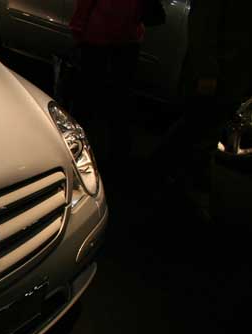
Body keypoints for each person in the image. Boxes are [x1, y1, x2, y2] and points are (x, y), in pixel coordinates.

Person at [150, 0, 252, 217]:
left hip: (233, 74)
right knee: (200, 130)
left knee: (199, 128)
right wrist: (207, 72)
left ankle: (165, 174)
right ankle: (189, 191)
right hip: (219, 74)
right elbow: (203, 27)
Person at [70, 0, 145, 172]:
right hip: (127, 39)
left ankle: (78, 152)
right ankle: (117, 159)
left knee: (86, 98)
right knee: (120, 102)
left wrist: (78, 28)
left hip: (98, 37)